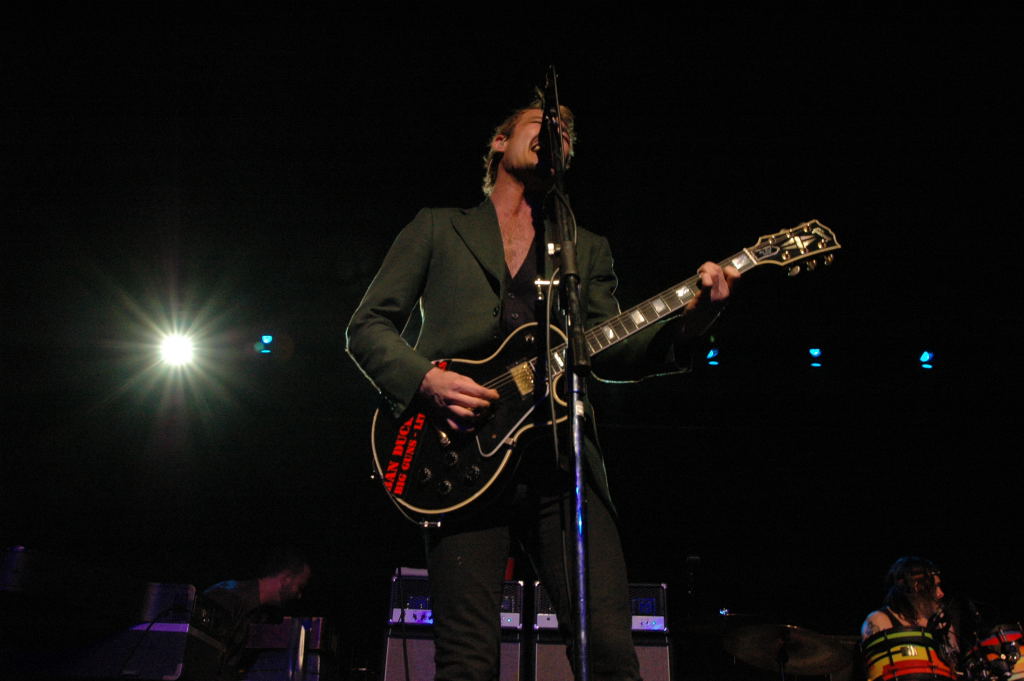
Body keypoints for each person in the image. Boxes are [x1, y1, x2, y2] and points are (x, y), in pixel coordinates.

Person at [346, 99, 738, 681]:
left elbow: (613, 350)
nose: (557, 132)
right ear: (499, 142)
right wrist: (426, 380)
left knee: (609, 653)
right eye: (543, 122)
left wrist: (694, 321)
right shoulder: (438, 226)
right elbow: (367, 327)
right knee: (467, 663)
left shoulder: (585, 248)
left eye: (567, 134)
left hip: (562, 465)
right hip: (459, 456)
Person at [203, 547, 312, 678]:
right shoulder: (229, 596)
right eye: (300, 587)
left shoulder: (263, 614)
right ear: (286, 579)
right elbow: (203, 657)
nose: (299, 595)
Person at [861, 556, 959, 670]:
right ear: (917, 586)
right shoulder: (879, 620)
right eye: (935, 587)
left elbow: (954, 668)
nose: (941, 593)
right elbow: (876, 670)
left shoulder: (942, 623)